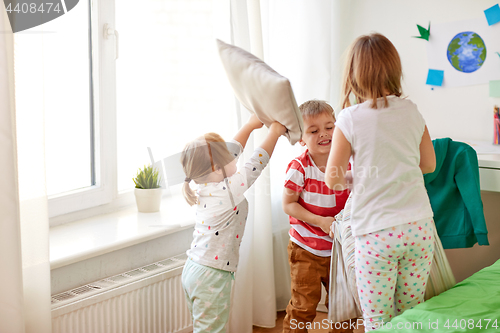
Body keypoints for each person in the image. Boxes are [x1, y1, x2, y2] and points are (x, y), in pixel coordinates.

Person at [324, 33, 436, 331]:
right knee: (410, 314)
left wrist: (354, 177)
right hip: (419, 228)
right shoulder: (411, 111)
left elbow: (333, 179)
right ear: (394, 69)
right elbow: (429, 164)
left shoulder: (349, 118)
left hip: (376, 234)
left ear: (353, 74)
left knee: (377, 320)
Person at [180, 114, 287, 333]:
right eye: (228, 156)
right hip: (212, 274)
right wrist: (274, 133)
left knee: (204, 328)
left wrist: (249, 126)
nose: (234, 157)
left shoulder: (206, 186)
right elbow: (256, 163)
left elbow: (231, 153)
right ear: (218, 168)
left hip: (194, 269)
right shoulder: (227, 191)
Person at [282, 100, 351, 333]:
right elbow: (288, 204)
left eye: (329, 127)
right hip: (305, 249)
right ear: (302, 138)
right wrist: (321, 221)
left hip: (340, 249)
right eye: (314, 130)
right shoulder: (299, 167)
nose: (324, 134)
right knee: (303, 307)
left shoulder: (349, 163)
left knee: (343, 309)